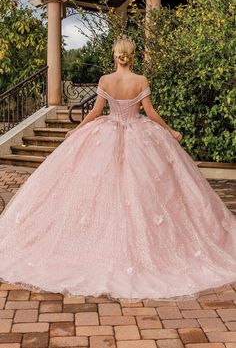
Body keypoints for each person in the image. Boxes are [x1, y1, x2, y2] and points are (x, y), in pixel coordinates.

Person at [0, 35, 235, 301]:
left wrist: (77, 130)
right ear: (132, 56)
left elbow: (95, 113)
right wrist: (170, 130)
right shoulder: (141, 81)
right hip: (139, 133)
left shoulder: (105, 81)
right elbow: (151, 113)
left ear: (115, 55)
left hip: (108, 133)